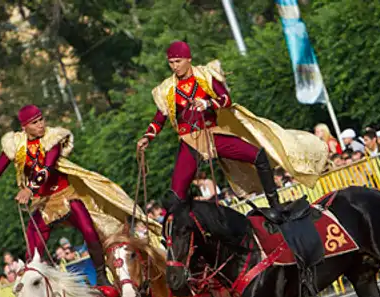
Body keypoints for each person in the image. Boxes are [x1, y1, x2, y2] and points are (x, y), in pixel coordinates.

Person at [137, 41, 327, 213]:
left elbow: (226, 99)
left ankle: (275, 205)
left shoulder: (206, 75)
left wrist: (208, 104)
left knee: (259, 156)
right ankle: (179, 236)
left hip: (214, 136)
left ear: (188, 59)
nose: (174, 66)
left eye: (178, 61)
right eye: (171, 62)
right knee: (175, 194)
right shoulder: (167, 89)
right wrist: (148, 137)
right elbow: (159, 117)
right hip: (190, 142)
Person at [0, 105, 156, 286]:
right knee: (33, 248)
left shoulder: (52, 137)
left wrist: (29, 189)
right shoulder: (15, 144)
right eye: (35, 122)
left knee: (89, 230)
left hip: (66, 195)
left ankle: (102, 277)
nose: (41, 125)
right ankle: (36, 293)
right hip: (43, 202)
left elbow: (46, 168)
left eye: (41, 119)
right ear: (24, 127)